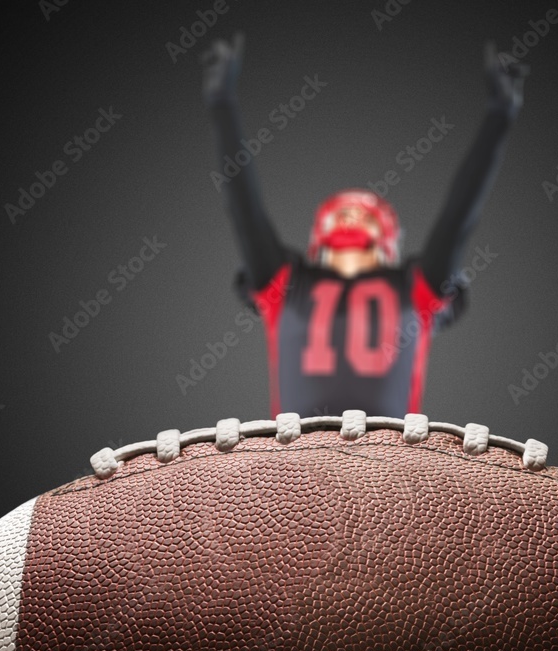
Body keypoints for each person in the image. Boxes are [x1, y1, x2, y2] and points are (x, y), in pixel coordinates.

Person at [203, 34, 525, 417]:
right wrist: (222, 105)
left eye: (363, 211)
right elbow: (245, 211)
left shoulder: (414, 286)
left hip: (390, 467)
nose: (352, 215)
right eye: (343, 210)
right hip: (292, 464)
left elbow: (459, 216)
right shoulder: (286, 281)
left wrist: (499, 116)